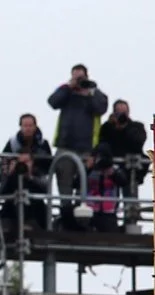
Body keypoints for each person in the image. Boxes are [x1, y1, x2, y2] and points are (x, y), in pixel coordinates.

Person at [46, 64, 108, 226]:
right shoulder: (66, 92)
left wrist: (91, 91)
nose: (79, 81)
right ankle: (65, 217)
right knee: (64, 185)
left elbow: (101, 108)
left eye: (82, 78)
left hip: (87, 148)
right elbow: (52, 102)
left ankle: (84, 221)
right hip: (65, 146)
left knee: (85, 186)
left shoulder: (95, 93)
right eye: (76, 77)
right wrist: (69, 87)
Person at [99, 100, 149, 229]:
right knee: (111, 199)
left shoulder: (136, 126)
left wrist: (125, 128)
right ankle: (110, 225)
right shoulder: (108, 127)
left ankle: (130, 224)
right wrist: (113, 127)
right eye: (118, 111)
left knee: (130, 199)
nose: (121, 114)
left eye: (124, 111)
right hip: (112, 169)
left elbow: (138, 142)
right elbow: (102, 142)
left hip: (130, 170)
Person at [0, 113, 52, 230]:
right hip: (13, 191)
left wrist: (32, 173)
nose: (27, 128)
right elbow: (1, 190)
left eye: (30, 125)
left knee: (38, 204)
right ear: (20, 127)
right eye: (25, 125)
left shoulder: (43, 144)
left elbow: (48, 171)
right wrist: (10, 171)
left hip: (35, 184)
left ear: (35, 126)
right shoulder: (12, 144)